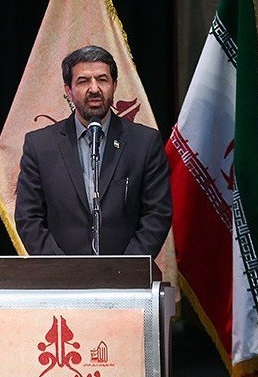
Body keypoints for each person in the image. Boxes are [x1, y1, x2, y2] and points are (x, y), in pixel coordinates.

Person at [15, 45, 172, 258]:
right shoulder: (40, 145)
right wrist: (62, 269)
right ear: (68, 90)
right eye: (83, 81)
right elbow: (28, 218)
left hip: (126, 275)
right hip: (61, 275)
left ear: (114, 85)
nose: (94, 88)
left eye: (102, 79)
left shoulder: (145, 143)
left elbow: (157, 214)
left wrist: (125, 269)